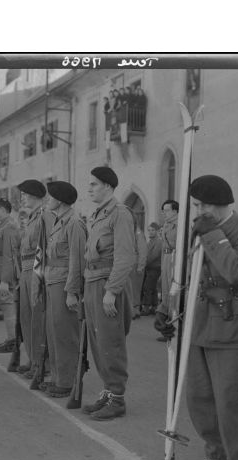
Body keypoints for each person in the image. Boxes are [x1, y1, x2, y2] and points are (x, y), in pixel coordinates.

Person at [156, 175, 238, 460]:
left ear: (222, 204)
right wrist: (167, 307)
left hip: (232, 326)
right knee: (200, 400)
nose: (198, 211)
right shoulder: (200, 230)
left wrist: (213, 234)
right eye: (195, 205)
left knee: (232, 404)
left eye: (203, 205)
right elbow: (186, 276)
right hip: (198, 323)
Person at [82, 167, 136, 420]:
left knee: (110, 341)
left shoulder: (120, 214)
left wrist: (111, 291)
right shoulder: (97, 215)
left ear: (107, 186)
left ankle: (117, 398)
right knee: (98, 341)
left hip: (107, 283)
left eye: (94, 184)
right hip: (93, 281)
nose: (90, 188)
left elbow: (125, 257)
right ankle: (107, 391)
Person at [42, 181, 87, 398]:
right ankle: (59, 378)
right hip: (53, 282)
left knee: (65, 334)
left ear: (59, 200)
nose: (48, 200)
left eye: (50, 196)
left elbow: (77, 261)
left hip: (63, 285)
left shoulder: (74, 224)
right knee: (54, 332)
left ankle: (68, 381)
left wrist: (72, 291)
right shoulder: (59, 222)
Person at [16, 179, 53, 379]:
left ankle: (41, 363)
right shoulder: (31, 218)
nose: (22, 198)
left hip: (37, 271)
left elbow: (45, 248)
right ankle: (33, 358)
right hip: (26, 269)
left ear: (33, 196)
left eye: (25, 194)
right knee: (26, 318)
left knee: (37, 318)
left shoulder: (44, 216)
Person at [0, 198, 22, 354]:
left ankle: (12, 340)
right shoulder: (2, 226)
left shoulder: (9, 227)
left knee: (8, 305)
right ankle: (10, 338)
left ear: (3, 209)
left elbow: (9, 255)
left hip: (5, 272)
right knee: (6, 305)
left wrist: (5, 280)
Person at [156, 199, 179, 341]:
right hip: (165, 258)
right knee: (164, 292)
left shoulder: (179, 225)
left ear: (175, 211)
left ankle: (173, 329)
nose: (165, 213)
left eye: (167, 210)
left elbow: (176, 243)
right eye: (163, 210)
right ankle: (166, 329)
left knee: (172, 293)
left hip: (173, 258)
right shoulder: (167, 224)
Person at [141, 222, 162, 315]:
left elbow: (154, 255)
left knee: (147, 287)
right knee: (152, 288)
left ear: (157, 231)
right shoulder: (150, 241)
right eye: (149, 230)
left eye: (153, 230)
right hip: (149, 267)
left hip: (155, 267)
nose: (150, 232)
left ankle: (146, 308)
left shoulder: (159, 241)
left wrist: (143, 264)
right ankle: (154, 307)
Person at [129, 224, 147, 319]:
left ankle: (135, 311)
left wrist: (141, 266)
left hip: (135, 265)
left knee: (135, 288)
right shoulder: (129, 229)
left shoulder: (137, 232)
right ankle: (133, 310)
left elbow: (142, 250)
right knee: (131, 289)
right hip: (129, 264)